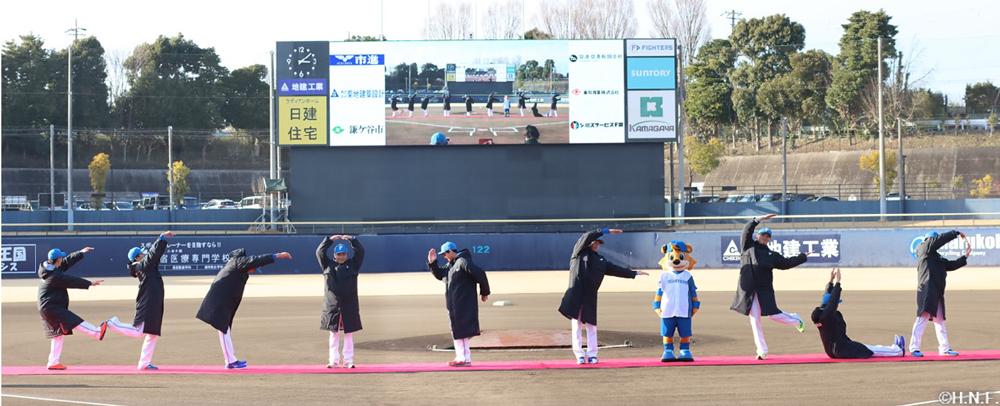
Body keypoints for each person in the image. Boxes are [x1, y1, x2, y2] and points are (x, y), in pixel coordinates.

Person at [558, 229, 649, 364]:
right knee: (576, 326)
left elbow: (616, 270)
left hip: (590, 296)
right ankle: (579, 355)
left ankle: (592, 354)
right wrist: (604, 231)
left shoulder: (601, 260)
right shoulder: (578, 253)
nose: (596, 244)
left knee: (591, 326)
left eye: (598, 243)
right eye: (594, 241)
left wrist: (634, 273)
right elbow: (587, 236)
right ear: (589, 243)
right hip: (575, 295)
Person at [729, 214, 809, 360]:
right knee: (755, 320)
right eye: (762, 235)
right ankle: (762, 350)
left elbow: (786, 263)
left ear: (770, 239)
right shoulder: (748, 246)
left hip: (764, 291)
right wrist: (756, 220)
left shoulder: (772, 255)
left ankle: (796, 320)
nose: (764, 238)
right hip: (749, 292)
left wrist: (803, 256)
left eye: (767, 237)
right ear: (758, 235)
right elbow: (746, 230)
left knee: (772, 315)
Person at [196, 248, 292, 369]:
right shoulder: (238, 262)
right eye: (253, 268)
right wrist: (277, 256)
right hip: (219, 302)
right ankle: (230, 361)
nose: (252, 270)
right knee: (224, 330)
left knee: (225, 330)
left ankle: (230, 360)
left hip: (222, 301)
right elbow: (256, 260)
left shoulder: (235, 266)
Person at [105, 231, 174, 370]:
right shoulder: (140, 266)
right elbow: (152, 256)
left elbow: (156, 256)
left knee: (153, 333)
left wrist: (161, 243)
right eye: (142, 253)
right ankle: (113, 324)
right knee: (138, 331)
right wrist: (160, 238)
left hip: (154, 302)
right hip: (147, 302)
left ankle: (144, 363)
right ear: (137, 258)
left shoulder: (146, 265)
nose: (144, 254)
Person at [37, 247, 107, 370]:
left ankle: (53, 362)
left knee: (58, 335)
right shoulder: (54, 276)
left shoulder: (49, 268)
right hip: (51, 307)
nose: (62, 259)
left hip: (48, 306)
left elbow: (66, 262)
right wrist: (89, 283)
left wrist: (80, 253)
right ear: (58, 259)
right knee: (73, 321)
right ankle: (96, 332)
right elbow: (71, 281)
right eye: (61, 258)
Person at [812, 268, 905, 359]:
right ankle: (898, 351)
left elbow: (827, 298)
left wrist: (831, 281)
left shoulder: (821, 314)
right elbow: (833, 300)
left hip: (833, 351)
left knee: (865, 347)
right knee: (869, 350)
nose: (837, 305)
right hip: (841, 349)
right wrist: (838, 282)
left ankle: (894, 348)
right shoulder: (828, 315)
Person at [427, 242, 491, 367]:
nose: (444, 256)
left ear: (451, 251)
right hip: (455, 303)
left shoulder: (462, 262)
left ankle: (461, 358)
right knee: (462, 331)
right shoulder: (451, 264)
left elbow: (481, 274)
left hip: (463, 303)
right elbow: (441, 275)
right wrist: (432, 263)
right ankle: (465, 357)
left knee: (457, 329)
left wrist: (484, 292)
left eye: (445, 254)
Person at [909, 230, 970, 357]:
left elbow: (950, 265)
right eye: (934, 239)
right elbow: (938, 241)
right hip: (927, 290)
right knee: (922, 318)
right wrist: (955, 233)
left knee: (940, 321)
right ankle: (914, 348)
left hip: (937, 292)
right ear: (930, 240)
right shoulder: (923, 248)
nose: (936, 242)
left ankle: (944, 348)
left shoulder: (936, 257)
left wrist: (965, 257)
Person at [317, 235, 365, 368]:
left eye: (343, 254)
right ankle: (333, 361)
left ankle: (349, 360)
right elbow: (319, 252)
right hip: (332, 306)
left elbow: (360, 252)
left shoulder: (353, 265)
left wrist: (352, 239)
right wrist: (329, 240)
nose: (341, 257)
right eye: (339, 254)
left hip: (349, 305)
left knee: (348, 334)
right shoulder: (327, 265)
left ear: (346, 255)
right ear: (334, 255)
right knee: (334, 334)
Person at [654, 241, 699, 362]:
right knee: (667, 332)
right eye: (673, 257)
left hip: (684, 309)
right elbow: (659, 292)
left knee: (685, 332)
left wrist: (695, 306)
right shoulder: (665, 276)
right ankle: (668, 351)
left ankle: (685, 350)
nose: (676, 260)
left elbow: (693, 292)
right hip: (667, 309)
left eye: (680, 257)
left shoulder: (687, 276)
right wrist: (656, 306)